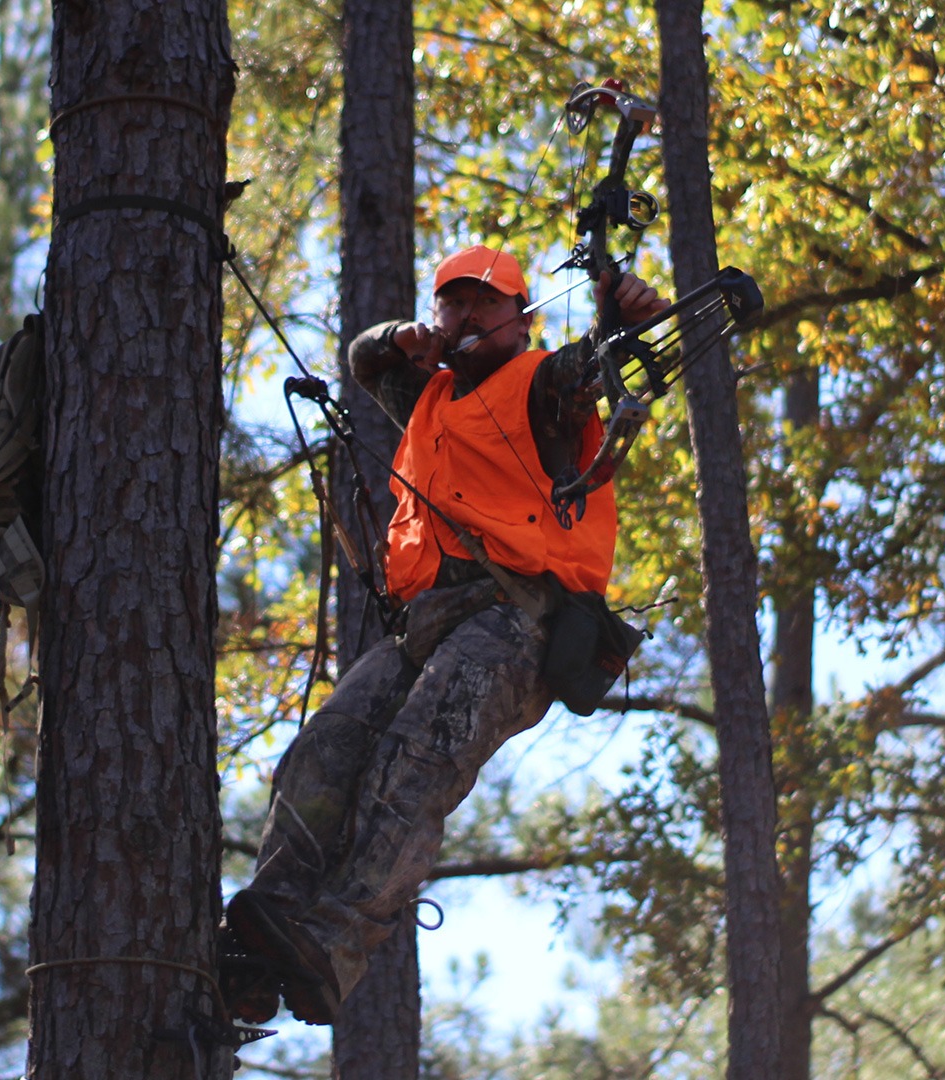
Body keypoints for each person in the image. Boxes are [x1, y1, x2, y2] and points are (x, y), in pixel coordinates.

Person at [220, 245, 667, 1026]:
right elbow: (365, 361)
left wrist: (624, 318)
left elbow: (597, 364)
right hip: (426, 622)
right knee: (323, 749)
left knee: (415, 763)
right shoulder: (427, 395)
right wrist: (401, 336)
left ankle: (334, 947)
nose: (467, 316)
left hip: (515, 619)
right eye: (453, 304)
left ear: (520, 318)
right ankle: (266, 940)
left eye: (486, 304)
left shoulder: (543, 388)